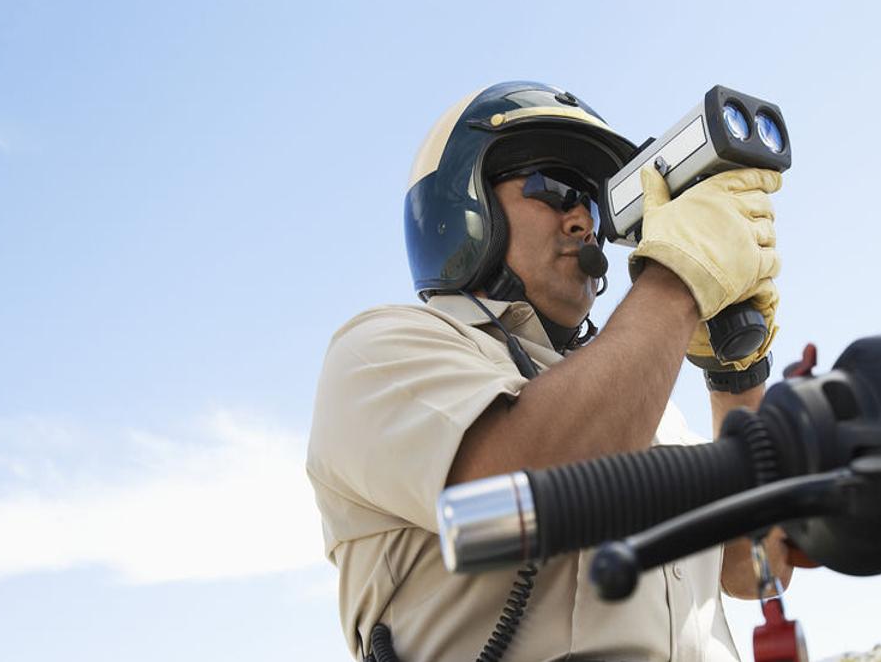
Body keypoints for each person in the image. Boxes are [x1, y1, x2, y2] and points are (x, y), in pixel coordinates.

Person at [307, 81, 793, 662]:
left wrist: (735, 378)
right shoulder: (380, 351)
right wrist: (679, 279)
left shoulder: (655, 414)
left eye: (591, 199)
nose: (583, 222)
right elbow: (525, 486)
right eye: (556, 190)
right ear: (466, 206)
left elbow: (755, 571)